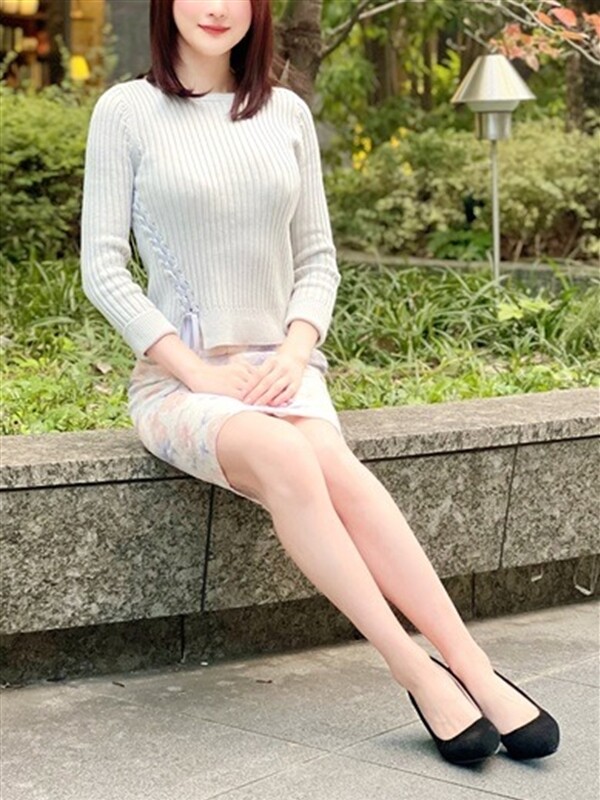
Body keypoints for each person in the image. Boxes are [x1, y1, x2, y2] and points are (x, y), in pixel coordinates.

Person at [80, 0, 559, 766]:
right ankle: (415, 671)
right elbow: (103, 268)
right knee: (290, 459)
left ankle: (472, 665)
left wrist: (296, 350)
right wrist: (200, 371)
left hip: (284, 369)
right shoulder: (127, 111)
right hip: (180, 384)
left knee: (333, 461)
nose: (215, 8)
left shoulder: (286, 115)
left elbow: (318, 260)